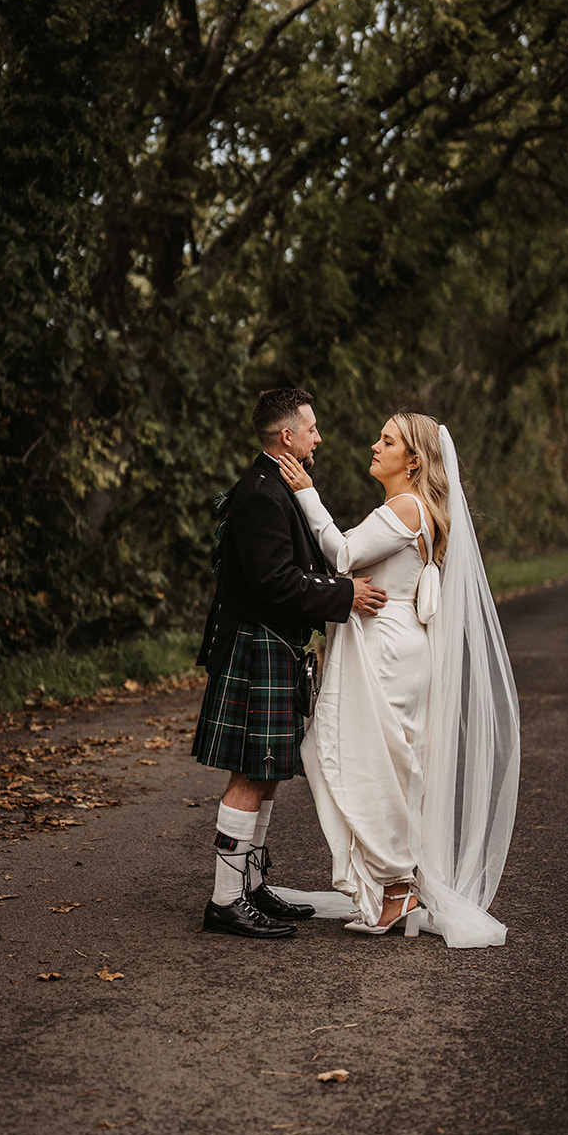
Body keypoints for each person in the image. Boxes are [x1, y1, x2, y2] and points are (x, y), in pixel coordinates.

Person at [277, 413, 519, 947]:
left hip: (387, 649)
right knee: (384, 764)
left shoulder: (407, 507)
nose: (375, 445)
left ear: (413, 461)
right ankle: (394, 884)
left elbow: (343, 553)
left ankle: (397, 885)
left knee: (366, 761)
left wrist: (307, 493)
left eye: (387, 441)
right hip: (398, 645)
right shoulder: (411, 508)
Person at [191, 387, 388, 939]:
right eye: (311, 428)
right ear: (287, 436)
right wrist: (345, 595)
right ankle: (226, 900)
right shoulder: (261, 492)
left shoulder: (279, 484)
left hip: (273, 644)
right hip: (258, 643)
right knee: (251, 773)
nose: (318, 437)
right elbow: (274, 581)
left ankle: (250, 887)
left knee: (269, 771)